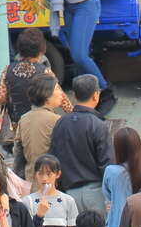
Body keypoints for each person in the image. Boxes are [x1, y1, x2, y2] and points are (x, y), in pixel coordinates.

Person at [48, 73, 114, 216]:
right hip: (96, 192)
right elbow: (107, 163)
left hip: (69, 193)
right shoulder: (98, 125)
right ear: (96, 95)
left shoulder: (61, 123)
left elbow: (53, 159)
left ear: (74, 95)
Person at [0, 28, 72, 130]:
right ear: (42, 50)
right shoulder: (44, 72)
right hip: (41, 125)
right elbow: (62, 98)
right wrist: (74, 114)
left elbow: (0, 97)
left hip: (17, 125)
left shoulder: (8, 70)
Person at [21, 154, 78, 227]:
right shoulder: (28, 201)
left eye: (49, 174)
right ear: (35, 174)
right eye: (40, 173)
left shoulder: (68, 200)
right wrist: (39, 216)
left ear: (57, 174)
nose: (44, 178)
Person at [11, 74, 69, 179]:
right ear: (47, 95)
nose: (61, 93)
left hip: (31, 181)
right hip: (51, 182)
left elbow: (18, 155)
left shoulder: (24, 119)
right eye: (57, 89)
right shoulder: (57, 120)